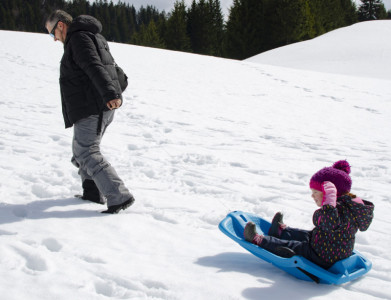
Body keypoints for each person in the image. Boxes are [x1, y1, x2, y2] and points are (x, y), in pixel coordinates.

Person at [45, 10, 134, 214]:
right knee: (81, 151)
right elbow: (107, 66)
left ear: (60, 25)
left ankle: (119, 195)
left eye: (52, 33)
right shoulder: (90, 36)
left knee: (86, 151)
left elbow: (94, 66)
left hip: (93, 105)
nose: (53, 39)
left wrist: (111, 94)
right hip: (96, 104)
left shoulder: (78, 38)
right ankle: (92, 192)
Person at [244, 160, 374, 269]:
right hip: (336, 248)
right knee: (308, 235)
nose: (312, 196)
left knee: (294, 247)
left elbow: (326, 222)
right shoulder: (350, 205)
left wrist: (328, 205)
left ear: (330, 193)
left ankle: (259, 240)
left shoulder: (336, 209)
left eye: (316, 192)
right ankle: (282, 232)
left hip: (323, 256)